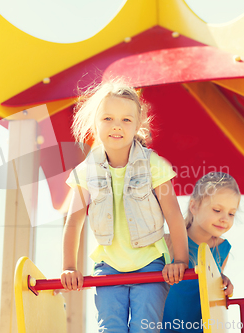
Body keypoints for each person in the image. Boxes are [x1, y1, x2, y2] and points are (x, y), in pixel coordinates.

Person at [61, 79, 189, 333]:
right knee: (111, 328)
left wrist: (180, 260)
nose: (116, 126)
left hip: (150, 262)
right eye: (108, 118)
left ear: (138, 125)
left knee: (145, 327)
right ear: (95, 123)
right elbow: (74, 221)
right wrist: (69, 267)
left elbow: (173, 215)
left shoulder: (153, 165)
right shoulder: (86, 172)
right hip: (109, 266)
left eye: (126, 120)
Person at [161, 172, 239, 333]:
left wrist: (223, 282)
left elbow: (210, 284)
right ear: (194, 206)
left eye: (231, 213)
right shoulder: (169, 242)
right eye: (217, 210)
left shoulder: (222, 249)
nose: (225, 218)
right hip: (165, 327)